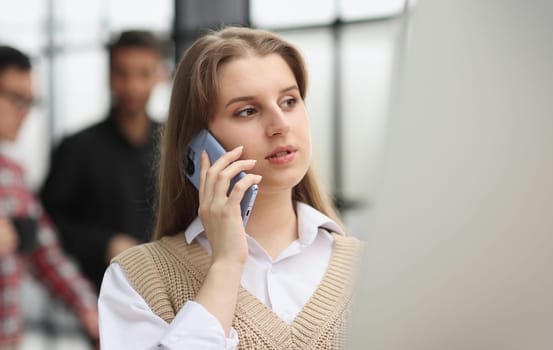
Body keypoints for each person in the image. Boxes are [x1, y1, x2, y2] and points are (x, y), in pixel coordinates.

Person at [98, 27, 364, 349]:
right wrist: (225, 265)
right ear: (199, 145)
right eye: (247, 111)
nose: (281, 124)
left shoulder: (366, 267)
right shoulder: (139, 278)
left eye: (289, 101)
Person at [40, 30, 167, 289]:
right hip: (100, 295)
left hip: (166, 291)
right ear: (109, 76)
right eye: (122, 73)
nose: (132, 86)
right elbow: (48, 223)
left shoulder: (174, 145)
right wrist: (105, 243)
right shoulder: (77, 147)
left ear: (159, 76)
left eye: (144, 74)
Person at [0, 45, 98, 349]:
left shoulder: (13, 175)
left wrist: (91, 312)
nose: (25, 111)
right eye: (17, 98)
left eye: (30, 101)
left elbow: (46, 254)